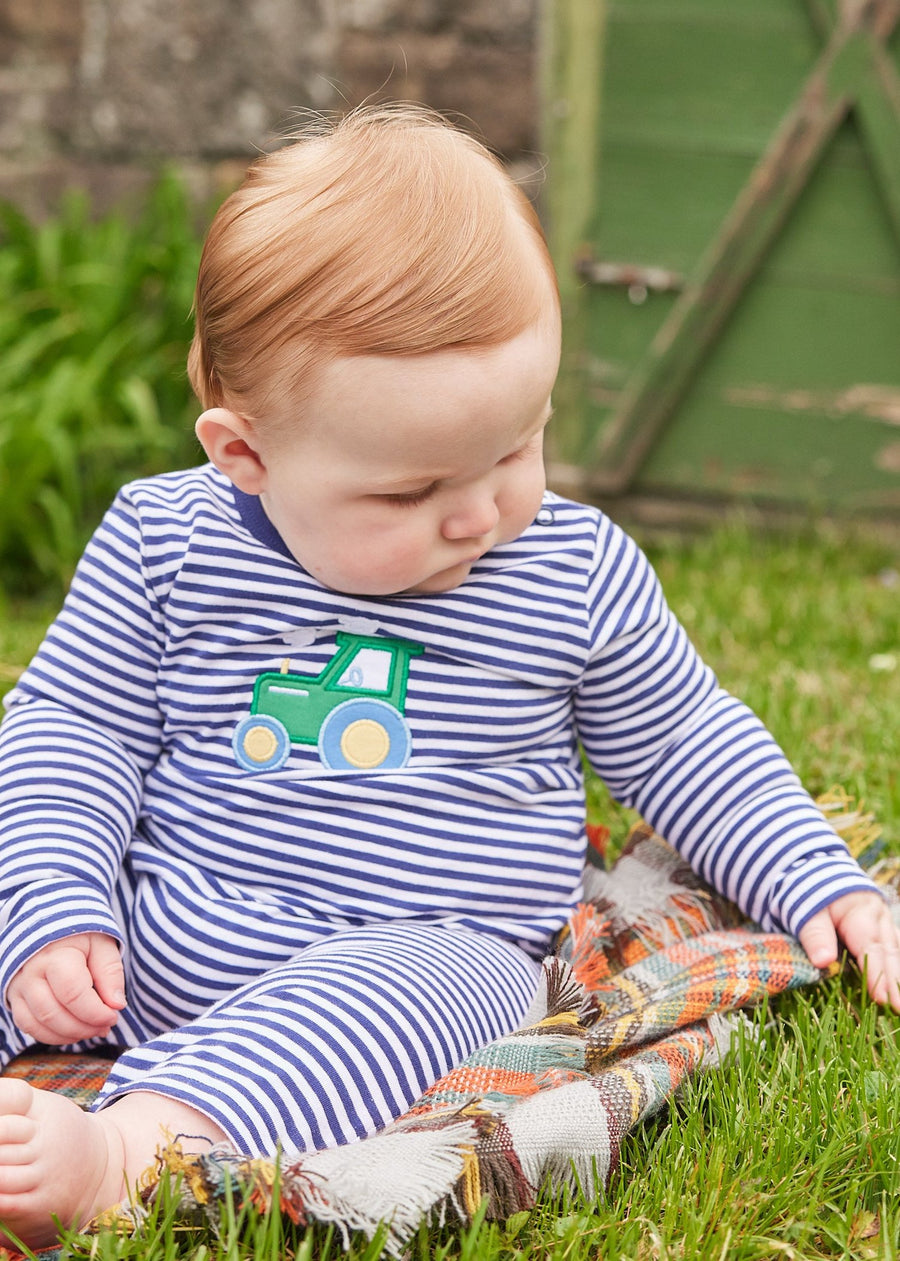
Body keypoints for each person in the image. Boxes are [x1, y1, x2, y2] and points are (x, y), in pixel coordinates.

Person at [0, 104, 897, 1248]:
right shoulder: (163, 542)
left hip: (419, 942)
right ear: (244, 454)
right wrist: (57, 906)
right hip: (151, 914)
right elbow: (71, 731)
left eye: (519, 447)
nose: (481, 512)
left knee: (417, 1006)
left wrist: (819, 882)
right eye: (408, 492)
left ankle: (130, 1152)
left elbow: (685, 741)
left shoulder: (569, 573)